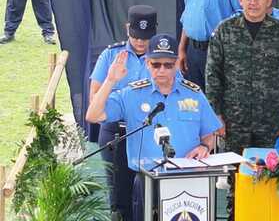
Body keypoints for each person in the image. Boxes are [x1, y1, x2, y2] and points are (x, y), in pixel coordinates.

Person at [86, 33, 222, 220]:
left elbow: (211, 132)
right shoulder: (132, 94)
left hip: (187, 179)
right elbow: (93, 115)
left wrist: (205, 146)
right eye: (156, 64)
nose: (162, 70)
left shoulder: (195, 94)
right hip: (147, 181)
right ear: (147, 64)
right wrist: (110, 80)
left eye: (168, 65)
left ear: (176, 64)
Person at [206, 0, 279, 221]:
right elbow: (212, 74)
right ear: (240, 0)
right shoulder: (225, 30)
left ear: (269, 0)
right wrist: (215, 115)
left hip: (271, 120)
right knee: (236, 178)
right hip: (234, 119)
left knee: (271, 174)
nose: (253, 3)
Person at [88, 5, 156, 220]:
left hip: (148, 132)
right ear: (128, 28)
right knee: (119, 195)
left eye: (145, 37)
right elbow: (95, 97)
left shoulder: (161, 59)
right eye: (136, 36)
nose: (140, 42)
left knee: (150, 193)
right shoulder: (111, 55)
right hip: (116, 132)